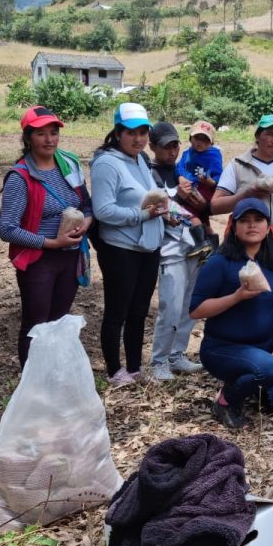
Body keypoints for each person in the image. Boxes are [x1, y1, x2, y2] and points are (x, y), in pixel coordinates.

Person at [190, 198, 273, 429]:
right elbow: (196, 310)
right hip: (224, 348)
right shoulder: (219, 263)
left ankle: (252, 380)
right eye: (245, 221)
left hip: (267, 349)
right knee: (269, 370)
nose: (252, 225)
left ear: (268, 226)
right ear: (234, 226)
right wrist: (236, 297)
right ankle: (226, 401)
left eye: (258, 220)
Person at [0, 106, 93, 369]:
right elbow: (8, 229)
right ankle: (31, 384)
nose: (49, 139)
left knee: (59, 321)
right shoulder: (20, 177)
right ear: (28, 138)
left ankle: (53, 376)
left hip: (70, 257)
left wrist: (85, 223)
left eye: (53, 132)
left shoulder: (69, 164)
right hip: (39, 260)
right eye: (41, 134)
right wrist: (52, 242)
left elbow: (86, 203)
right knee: (36, 323)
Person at [91, 103, 169, 387]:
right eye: (131, 132)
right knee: (117, 311)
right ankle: (114, 370)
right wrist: (143, 215)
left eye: (143, 132)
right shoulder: (107, 163)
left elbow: (148, 197)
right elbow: (103, 210)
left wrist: (164, 214)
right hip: (120, 250)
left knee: (139, 311)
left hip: (148, 247)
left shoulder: (141, 160)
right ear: (118, 132)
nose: (138, 139)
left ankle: (135, 368)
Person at [211, 114, 273, 273]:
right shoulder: (238, 164)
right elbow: (215, 206)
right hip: (244, 248)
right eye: (269, 134)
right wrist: (246, 195)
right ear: (258, 136)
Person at [146, 121, 207, 381]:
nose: (171, 152)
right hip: (168, 247)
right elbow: (158, 207)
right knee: (170, 305)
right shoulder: (148, 173)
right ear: (153, 147)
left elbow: (200, 208)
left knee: (189, 302)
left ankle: (177, 354)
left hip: (191, 244)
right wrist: (180, 200)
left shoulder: (180, 172)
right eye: (165, 147)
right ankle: (158, 360)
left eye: (175, 146)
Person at [176, 120, 220, 257]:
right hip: (190, 186)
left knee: (188, 213)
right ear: (190, 138)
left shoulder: (214, 155)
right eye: (197, 138)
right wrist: (181, 177)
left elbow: (219, 175)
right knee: (203, 219)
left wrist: (211, 182)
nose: (200, 143)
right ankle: (213, 247)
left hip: (204, 189)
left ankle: (200, 243)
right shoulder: (187, 153)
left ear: (211, 143)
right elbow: (179, 167)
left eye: (205, 140)